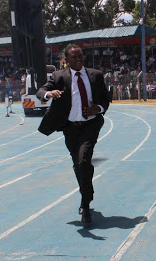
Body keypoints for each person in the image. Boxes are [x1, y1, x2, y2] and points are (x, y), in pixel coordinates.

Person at [37, 44, 110, 224]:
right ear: (66, 60)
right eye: (74, 58)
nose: (78, 60)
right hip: (70, 128)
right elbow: (40, 91)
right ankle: (87, 192)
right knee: (79, 165)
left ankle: (85, 205)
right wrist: (49, 94)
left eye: (80, 57)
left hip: (90, 126)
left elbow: (106, 99)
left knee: (84, 160)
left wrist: (98, 108)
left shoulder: (96, 75)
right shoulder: (58, 77)